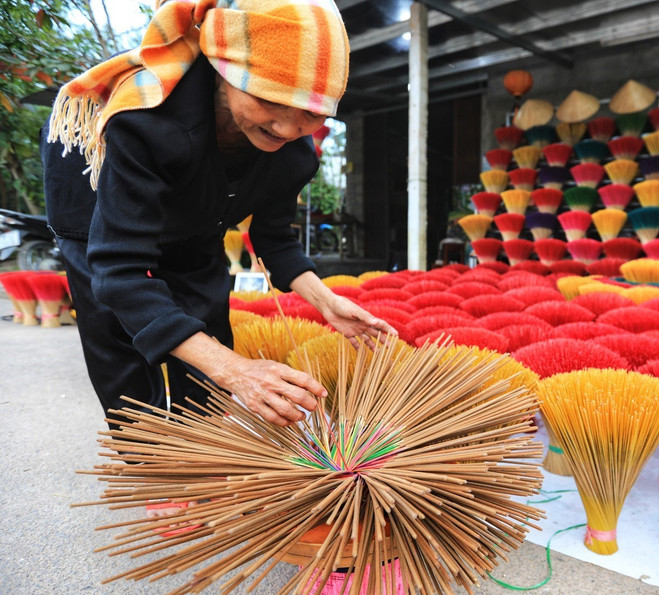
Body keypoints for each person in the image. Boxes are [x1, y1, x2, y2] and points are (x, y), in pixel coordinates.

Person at [41, 0, 394, 430]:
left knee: (207, 305)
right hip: (92, 198)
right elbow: (120, 270)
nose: (286, 128)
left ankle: (201, 439)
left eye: (311, 113)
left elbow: (275, 239)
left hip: (195, 215)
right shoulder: (147, 122)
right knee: (115, 323)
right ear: (225, 70)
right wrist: (236, 370)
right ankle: (149, 456)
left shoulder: (294, 157)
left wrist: (328, 302)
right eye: (268, 99)